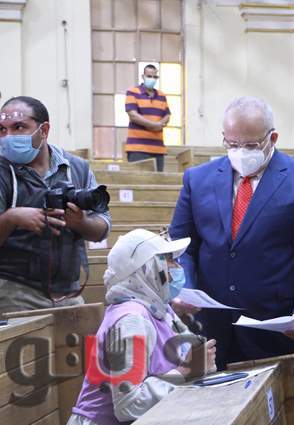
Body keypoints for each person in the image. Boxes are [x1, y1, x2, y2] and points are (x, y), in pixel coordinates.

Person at [169, 96, 294, 368]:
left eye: (250, 145)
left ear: (272, 138)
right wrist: (183, 288)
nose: (240, 152)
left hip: (277, 330)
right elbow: (181, 246)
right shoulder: (197, 179)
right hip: (212, 331)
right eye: (232, 144)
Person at [68, 229, 217, 425]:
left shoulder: (160, 309)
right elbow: (128, 405)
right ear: (149, 269)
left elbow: (194, 357)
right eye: (169, 260)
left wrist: (199, 362)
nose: (177, 267)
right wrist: (184, 372)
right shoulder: (131, 320)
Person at [0, 96, 111, 314]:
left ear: (44, 130)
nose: (8, 137)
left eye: (19, 127)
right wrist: (12, 218)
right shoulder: (2, 171)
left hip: (69, 293)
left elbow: (103, 228)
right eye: (2, 130)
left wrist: (81, 223)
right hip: (14, 291)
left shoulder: (77, 168)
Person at [125, 64, 171, 172]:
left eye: (154, 77)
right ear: (143, 76)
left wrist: (161, 123)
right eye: (149, 76)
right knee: (138, 179)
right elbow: (133, 115)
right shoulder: (132, 92)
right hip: (137, 148)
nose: (152, 79)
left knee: (157, 181)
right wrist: (154, 125)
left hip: (158, 149)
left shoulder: (162, 96)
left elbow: (167, 115)